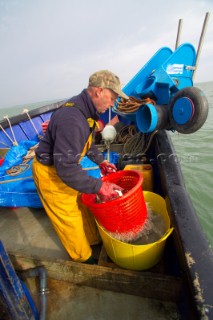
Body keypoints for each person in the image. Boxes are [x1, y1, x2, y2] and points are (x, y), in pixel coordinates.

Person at [32, 70, 128, 264]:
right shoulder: (72, 119)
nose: (112, 105)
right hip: (51, 174)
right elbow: (66, 168)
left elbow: (88, 142)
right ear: (99, 91)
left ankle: (93, 241)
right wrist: (100, 186)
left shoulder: (86, 111)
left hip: (65, 169)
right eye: (112, 98)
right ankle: (83, 259)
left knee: (83, 204)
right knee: (70, 219)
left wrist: (101, 161)